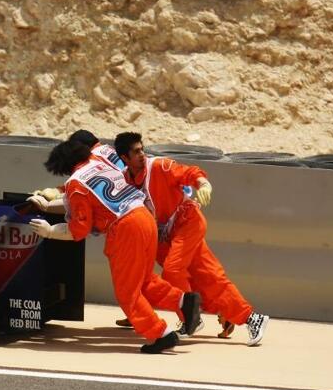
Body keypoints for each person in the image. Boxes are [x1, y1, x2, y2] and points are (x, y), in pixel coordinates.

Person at [29, 139, 201, 353]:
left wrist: (50, 231)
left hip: (125, 228)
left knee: (127, 293)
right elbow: (93, 198)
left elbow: (79, 230)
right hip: (145, 217)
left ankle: (160, 334)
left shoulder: (74, 184)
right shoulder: (100, 164)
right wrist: (49, 204)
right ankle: (183, 300)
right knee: (144, 280)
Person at [113, 131, 269, 346]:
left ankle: (190, 319)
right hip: (165, 235)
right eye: (136, 152)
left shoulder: (159, 166)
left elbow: (188, 172)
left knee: (172, 270)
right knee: (210, 277)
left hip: (188, 223)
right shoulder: (123, 180)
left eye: (142, 149)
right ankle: (251, 318)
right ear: (124, 159)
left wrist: (203, 183)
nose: (142, 154)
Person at [29, 130, 122, 211]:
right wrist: (57, 190)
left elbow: (84, 186)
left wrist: (51, 201)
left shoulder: (93, 158)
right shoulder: (109, 149)